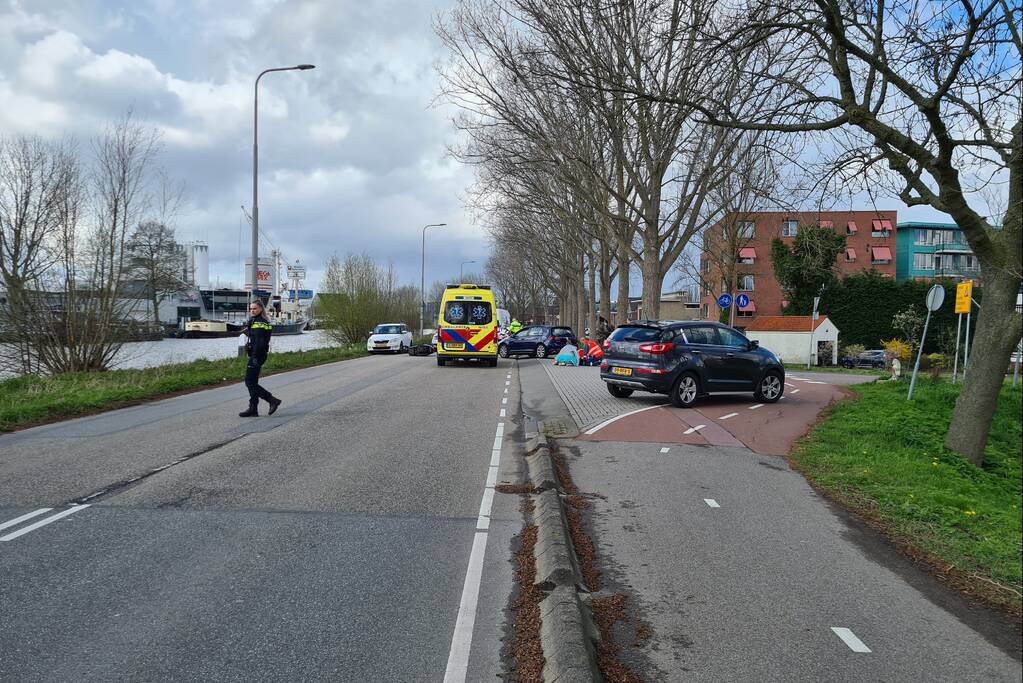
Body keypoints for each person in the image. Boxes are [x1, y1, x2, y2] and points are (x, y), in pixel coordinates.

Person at [239, 299, 282, 417]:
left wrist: (254, 358)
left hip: (257, 355)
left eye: (255, 309)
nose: (252, 311)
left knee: (249, 382)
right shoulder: (259, 321)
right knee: (252, 382)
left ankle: (272, 400)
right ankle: (253, 408)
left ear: (261, 309)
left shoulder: (259, 323)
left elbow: (259, 342)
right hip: (259, 354)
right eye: (251, 309)